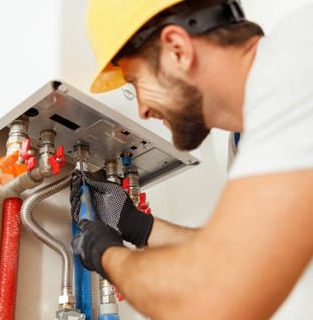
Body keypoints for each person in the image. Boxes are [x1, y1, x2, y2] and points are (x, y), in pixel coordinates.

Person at [72, 0, 313, 319]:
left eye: (135, 82)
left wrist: (104, 255)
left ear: (177, 49)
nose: (142, 108)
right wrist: (138, 226)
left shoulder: (298, 56)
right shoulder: (247, 139)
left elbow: (208, 297)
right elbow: (241, 254)